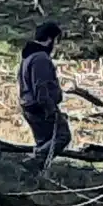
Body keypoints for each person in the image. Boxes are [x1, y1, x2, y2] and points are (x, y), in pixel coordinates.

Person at [18, 22, 71, 176]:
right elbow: (41, 88)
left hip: (29, 106)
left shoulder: (28, 58)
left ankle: (34, 177)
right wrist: (51, 110)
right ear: (49, 39)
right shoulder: (41, 59)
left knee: (44, 141)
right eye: (56, 40)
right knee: (63, 136)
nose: (56, 45)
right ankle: (31, 162)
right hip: (40, 108)